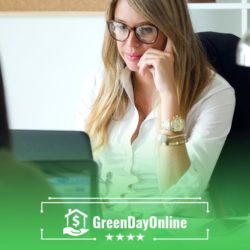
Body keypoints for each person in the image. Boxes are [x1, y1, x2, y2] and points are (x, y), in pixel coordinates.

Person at [76, 0, 235, 214]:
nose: (131, 44)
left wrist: (169, 96)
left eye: (146, 30)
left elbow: (179, 201)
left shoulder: (214, 94)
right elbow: (80, 180)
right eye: (121, 27)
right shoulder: (98, 86)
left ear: (173, 32)